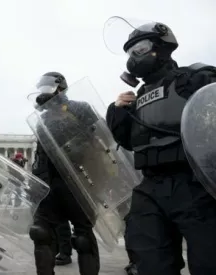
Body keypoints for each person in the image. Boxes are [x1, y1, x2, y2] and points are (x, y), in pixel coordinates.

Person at [105, 19, 216, 275]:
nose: (134, 57)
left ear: (162, 46)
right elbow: (128, 142)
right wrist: (118, 111)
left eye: (140, 48)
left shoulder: (195, 78)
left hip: (193, 182)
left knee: (210, 262)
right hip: (150, 187)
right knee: (149, 263)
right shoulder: (134, 100)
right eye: (130, 52)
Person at [30, 72, 100, 275]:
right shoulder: (42, 118)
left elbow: (98, 142)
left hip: (77, 181)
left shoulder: (80, 108)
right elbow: (41, 155)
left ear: (61, 88)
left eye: (48, 89)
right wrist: (37, 183)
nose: (43, 94)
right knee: (40, 233)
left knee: (83, 238)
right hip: (50, 184)